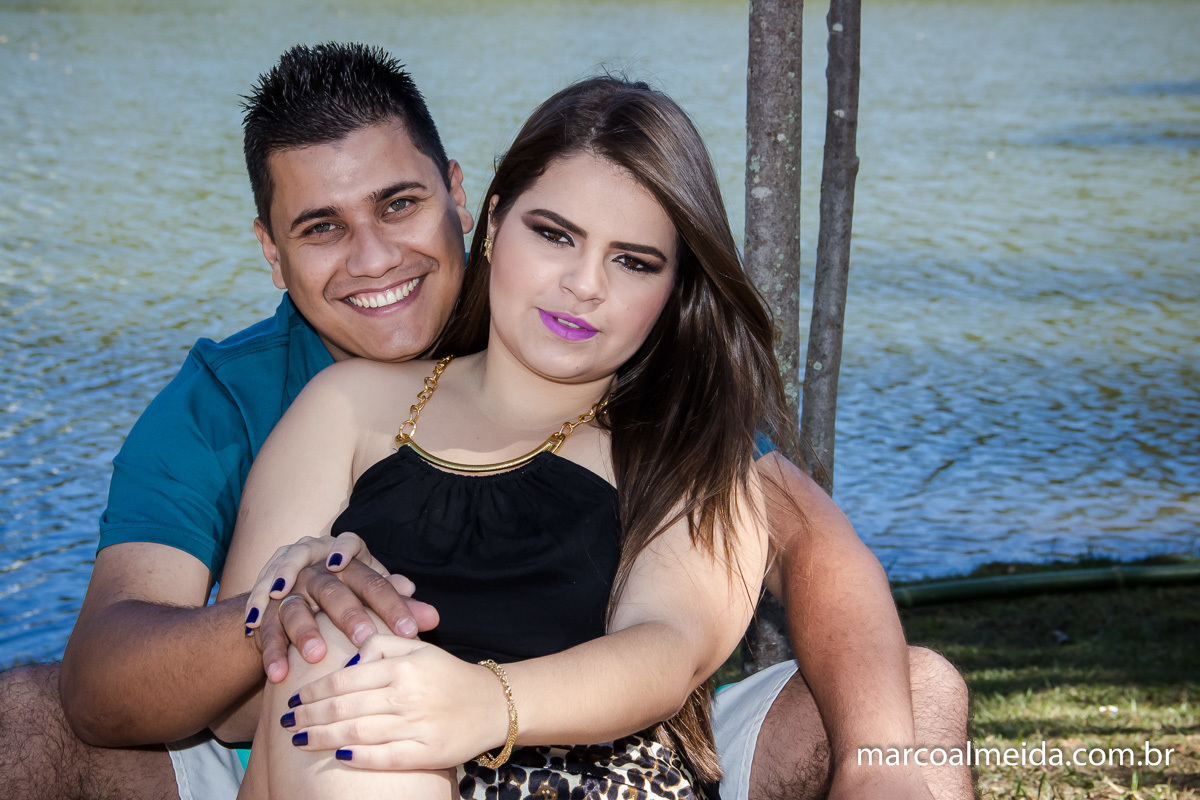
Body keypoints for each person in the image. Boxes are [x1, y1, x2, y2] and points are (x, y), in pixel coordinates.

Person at [0, 43, 971, 800]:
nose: (374, 259)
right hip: (328, 753)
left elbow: (764, 576)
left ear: (463, 199)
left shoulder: (670, 421)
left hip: (598, 758)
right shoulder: (286, 399)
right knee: (71, 712)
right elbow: (158, 685)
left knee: (915, 698)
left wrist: (879, 756)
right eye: (323, 226)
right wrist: (281, 607)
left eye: (398, 204)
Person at [215, 75, 786, 800]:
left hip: (587, 783)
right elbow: (236, 711)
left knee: (363, 696)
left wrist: (482, 704)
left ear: (674, 289)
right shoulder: (348, 405)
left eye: (633, 261)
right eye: (554, 235)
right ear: (491, 221)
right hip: (343, 765)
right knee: (339, 652)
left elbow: (667, 650)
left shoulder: (690, 449)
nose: (585, 284)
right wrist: (295, 601)